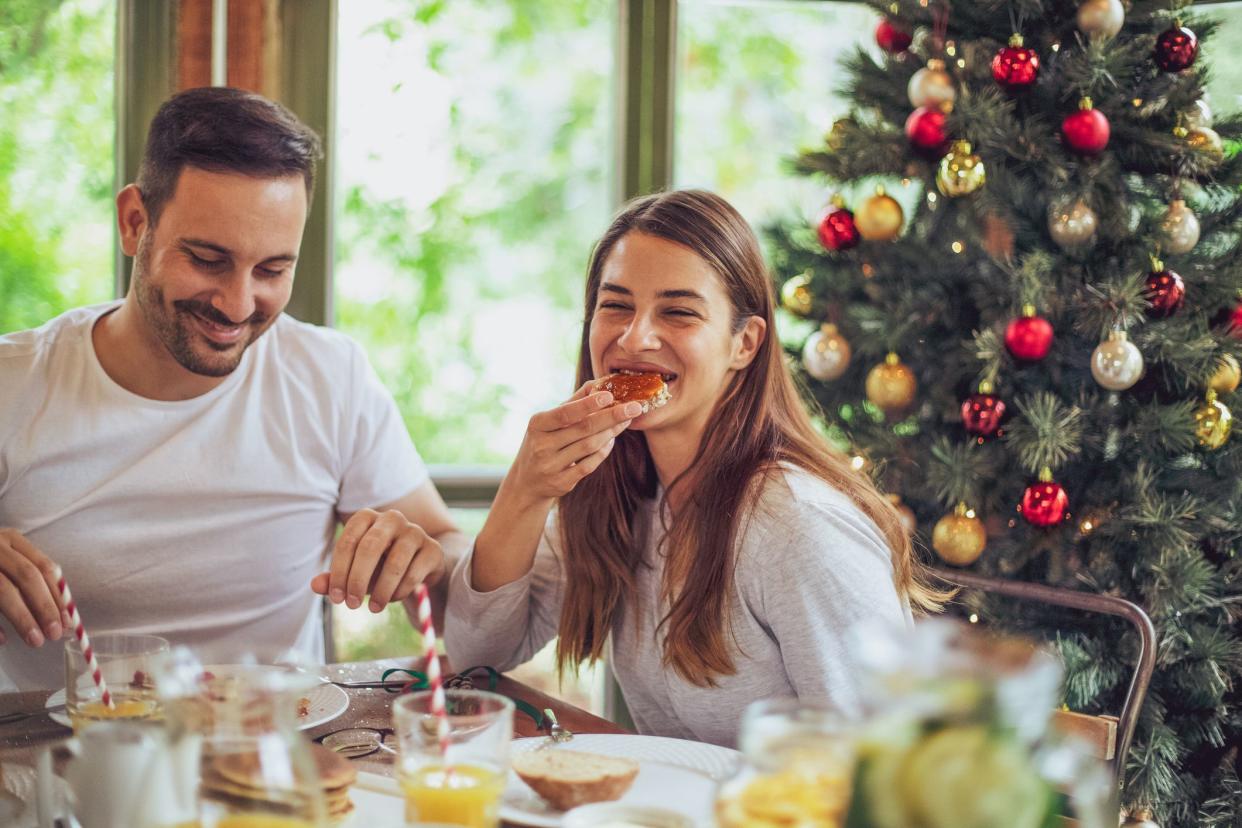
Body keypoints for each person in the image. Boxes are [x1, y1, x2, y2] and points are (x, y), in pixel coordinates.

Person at [0, 87, 466, 691]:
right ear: (135, 222)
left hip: (279, 760)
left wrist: (423, 557)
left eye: (272, 270)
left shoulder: (330, 376)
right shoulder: (15, 385)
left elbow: (448, 566)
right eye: (207, 259)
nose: (238, 304)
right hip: (62, 765)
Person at [445, 190, 944, 747]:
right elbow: (476, 656)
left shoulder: (798, 526)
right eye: (615, 305)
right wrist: (525, 491)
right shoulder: (621, 492)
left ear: (744, 344)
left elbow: (882, 772)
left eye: (678, 311)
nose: (635, 338)